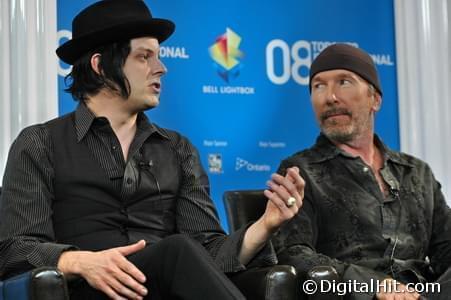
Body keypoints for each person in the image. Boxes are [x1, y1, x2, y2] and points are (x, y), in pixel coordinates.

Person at [0, 1, 304, 299]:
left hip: (166, 287)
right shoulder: (40, 143)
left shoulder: (178, 148)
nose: (161, 68)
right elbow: (15, 249)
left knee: (181, 250)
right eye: (145, 57)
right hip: (87, 289)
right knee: (177, 249)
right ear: (100, 65)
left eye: (158, 57)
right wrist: (81, 262)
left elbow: (208, 252)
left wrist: (266, 224)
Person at [272, 43, 451, 300]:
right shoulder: (301, 172)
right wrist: (373, 285)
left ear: (374, 99)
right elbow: (291, 253)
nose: (330, 97)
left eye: (344, 82)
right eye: (318, 86)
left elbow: (446, 251)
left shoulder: (417, 172)